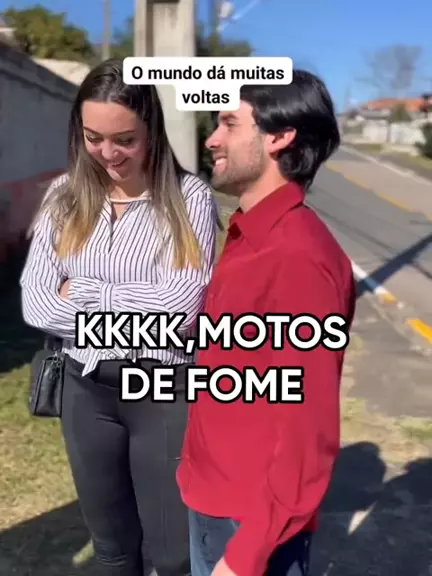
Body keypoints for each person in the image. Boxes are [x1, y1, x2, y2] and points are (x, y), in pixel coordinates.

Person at [20, 58, 217, 576]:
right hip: (86, 391)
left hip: (162, 392)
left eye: (125, 140)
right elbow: (36, 304)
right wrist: (142, 300)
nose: (108, 154)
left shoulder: (189, 199)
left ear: (151, 131)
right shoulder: (63, 197)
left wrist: (83, 291)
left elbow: (182, 309)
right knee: (111, 550)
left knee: (173, 555)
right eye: (94, 138)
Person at [176, 70, 356, 576]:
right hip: (211, 495)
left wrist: (246, 555)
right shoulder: (247, 234)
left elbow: (308, 431)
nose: (212, 139)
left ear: (279, 136)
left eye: (229, 124)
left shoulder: (298, 256)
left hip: (249, 525)